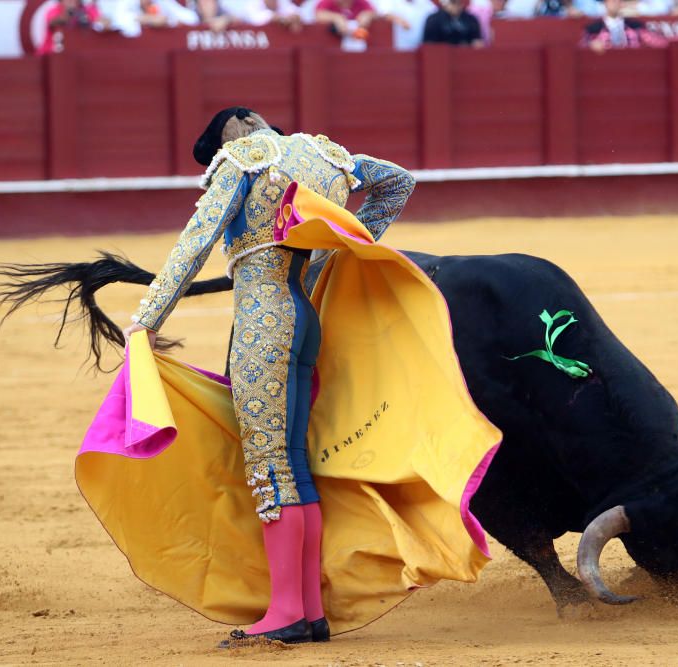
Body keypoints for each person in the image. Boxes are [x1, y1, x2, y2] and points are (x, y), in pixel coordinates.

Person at [122, 107, 415, 646]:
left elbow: (194, 243)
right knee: (293, 462)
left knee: (269, 463)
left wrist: (145, 322)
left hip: (264, 321)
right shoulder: (329, 155)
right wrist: (336, 253)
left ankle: (285, 612)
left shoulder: (241, 160)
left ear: (233, 131)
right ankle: (308, 611)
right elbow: (398, 183)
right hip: (305, 317)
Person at [581, 0, 667, 51]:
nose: (614, 2)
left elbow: (657, 42)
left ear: (621, 3)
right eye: (611, 0)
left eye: (617, 0)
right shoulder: (593, 28)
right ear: (605, 3)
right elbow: (581, 47)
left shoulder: (635, 26)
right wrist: (591, 45)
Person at [38, 0, 108, 54]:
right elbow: (54, 22)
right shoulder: (54, 10)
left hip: (82, 55)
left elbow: (102, 23)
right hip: (50, 55)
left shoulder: (89, 10)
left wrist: (102, 23)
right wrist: (69, 13)